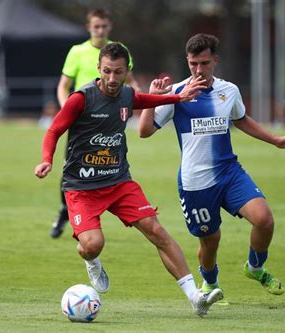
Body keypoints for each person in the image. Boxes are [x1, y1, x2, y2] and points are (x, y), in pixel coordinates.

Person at [34, 42, 223, 316]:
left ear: (127, 71)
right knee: (92, 244)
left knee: (156, 231)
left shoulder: (126, 94)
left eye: (118, 72)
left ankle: (195, 297)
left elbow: (144, 100)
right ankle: (92, 261)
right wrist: (47, 159)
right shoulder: (81, 99)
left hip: (119, 182)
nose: (112, 79)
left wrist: (176, 98)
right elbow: (53, 130)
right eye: (107, 71)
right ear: (99, 68)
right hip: (81, 187)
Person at [138, 34, 285, 299]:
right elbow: (144, 131)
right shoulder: (176, 94)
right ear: (187, 61)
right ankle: (211, 284)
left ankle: (255, 267)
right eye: (193, 63)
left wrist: (275, 140)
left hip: (229, 172)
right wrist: (153, 98)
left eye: (204, 63)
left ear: (215, 60)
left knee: (264, 220)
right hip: (196, 182)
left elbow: (241, 119)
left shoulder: (229, 91)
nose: (198, 70)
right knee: (211, 240)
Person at [51, 8, 139, 238]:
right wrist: (67, 110)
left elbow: (130, 81)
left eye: (104, 26)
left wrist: (138, 101)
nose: (100, 30)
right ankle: (66, 210)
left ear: (109, 27)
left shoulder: (119, 51)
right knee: (71, 167)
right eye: (96, 26)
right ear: (89, 27)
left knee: (108, 162)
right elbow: (63, 85)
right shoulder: (77, 52)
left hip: (108, 119)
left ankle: (95, 211)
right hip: (82, 122)